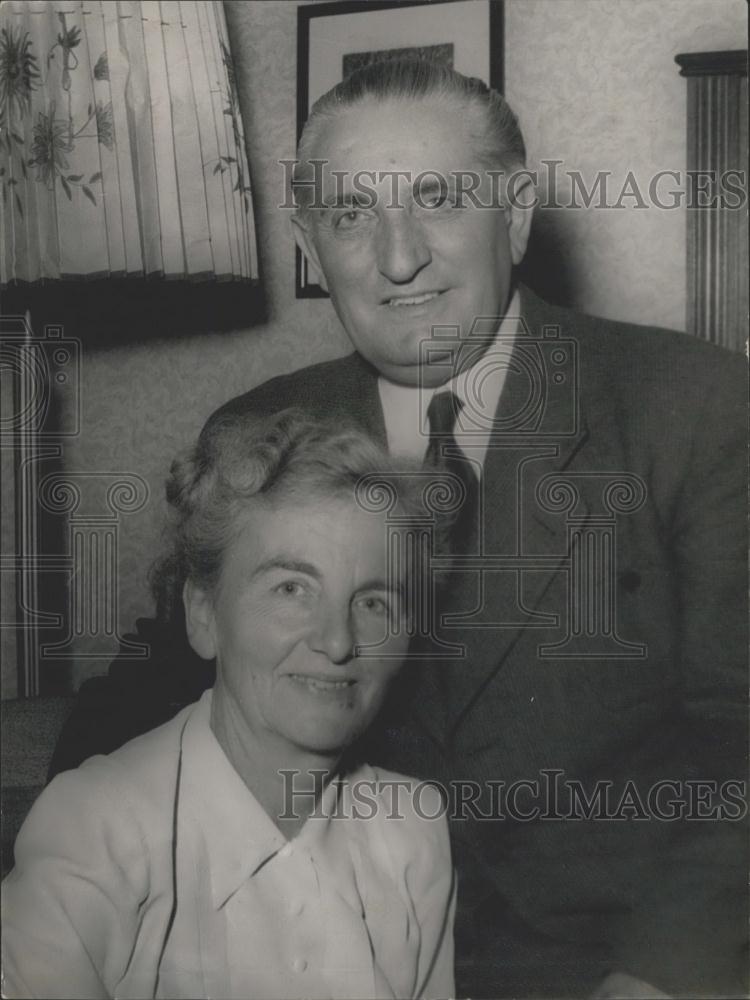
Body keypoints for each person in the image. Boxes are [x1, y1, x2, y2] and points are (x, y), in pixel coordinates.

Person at [50, 60, 747, 998]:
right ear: (308, 240)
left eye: (437, 198)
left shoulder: (694, 407)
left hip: (611, 965)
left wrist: (664, 974)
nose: (398, 256)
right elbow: (166, 674)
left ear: (517, 211)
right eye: (349, 216)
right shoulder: (258, 428)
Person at [3, 410, 456, 999]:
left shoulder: (413, 829)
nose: (338, 641)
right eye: (291, 589)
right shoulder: (95, 828)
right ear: (204, 615)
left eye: (373, 602)